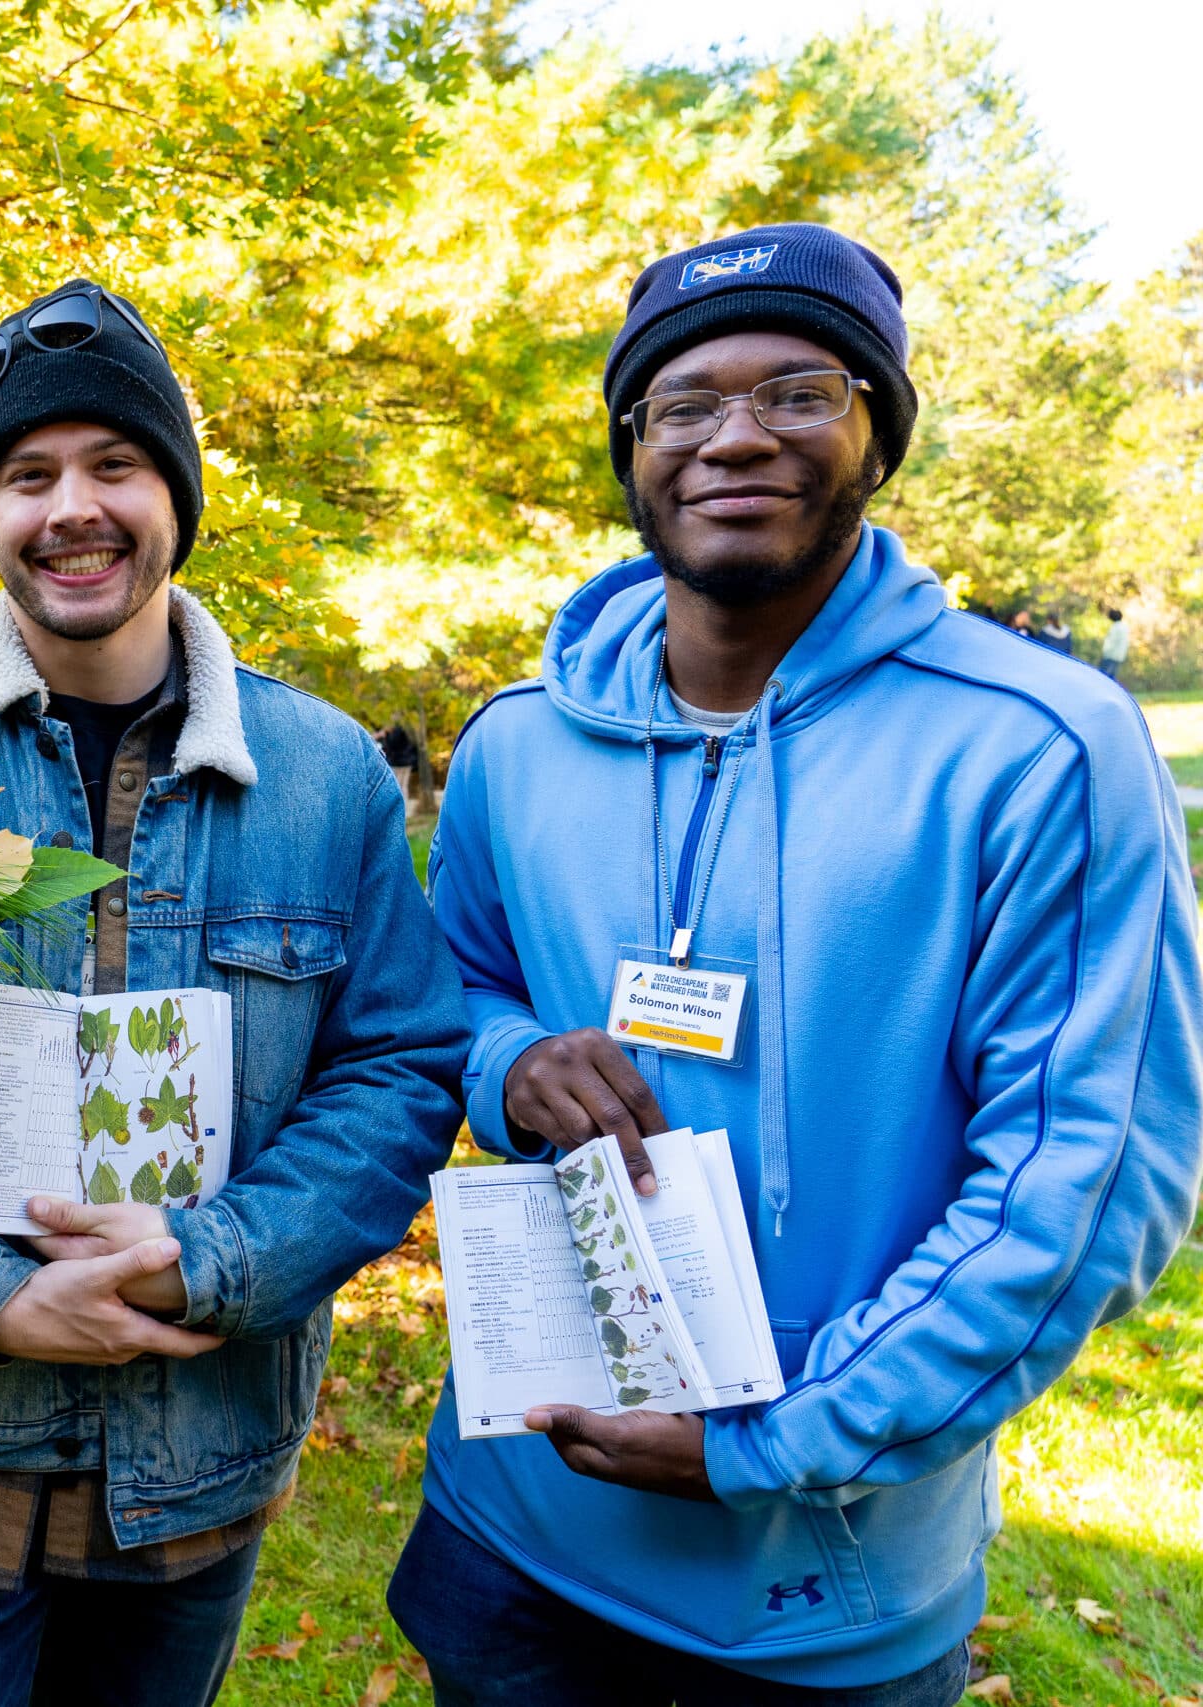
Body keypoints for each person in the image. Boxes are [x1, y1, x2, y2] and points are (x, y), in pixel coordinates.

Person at [401, 222, 1203, 1705]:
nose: (738, 436)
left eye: (801, 389)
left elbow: (1083, 1181)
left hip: (817, 1586)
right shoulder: (518, 740)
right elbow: (440, 1001)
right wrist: (508, 1061)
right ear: (634, 448)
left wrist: (777, 1435)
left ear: (878, 432)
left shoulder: (1039, 749)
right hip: (510, 1530)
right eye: (686, 403)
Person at [0, 278, 471, 1707]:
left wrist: (217, 1254)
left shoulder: (324, 775)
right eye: (27, 474)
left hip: (198, 1463)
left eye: (115, 464)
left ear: (178, 495)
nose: (72, 506)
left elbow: (398, 1067)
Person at [1102, 606, 1131, 679]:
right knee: (1112, 675)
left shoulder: (1115, 627)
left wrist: (1105, 652)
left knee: (1104, 675)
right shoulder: (1125, 626)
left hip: (1111, 655)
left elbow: (1111, 642)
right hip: (1120, 655)